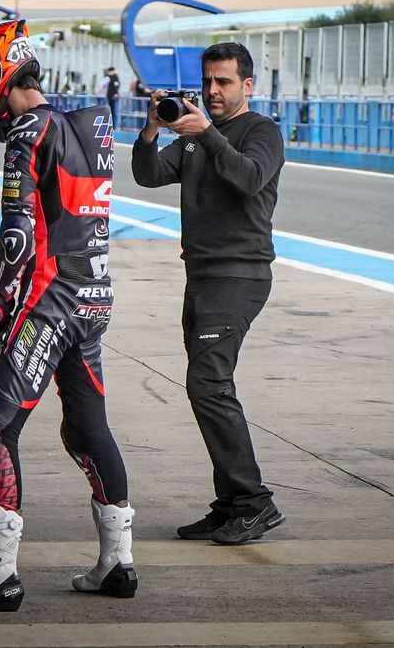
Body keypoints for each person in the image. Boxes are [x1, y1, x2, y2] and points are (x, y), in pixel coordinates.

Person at [0, 20, 135, 612]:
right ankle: (117, 562)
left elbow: (18, 234)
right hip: (94, 297)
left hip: (47, 302)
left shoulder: (27, 130)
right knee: (88, 428)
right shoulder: (95, 125)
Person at [130, 41, 286, 546]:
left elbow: (249, 178)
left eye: (223, 82)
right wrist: (153, 128)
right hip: (201, 274)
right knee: (206, 386)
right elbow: (148, 174)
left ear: (247, 86)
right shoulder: (194, 133)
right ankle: (230, 504)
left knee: (209, 384)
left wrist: (207, 134)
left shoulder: (261, 131)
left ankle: (254, 502)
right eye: (208, 82)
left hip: (239, 275)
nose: (213, 91)